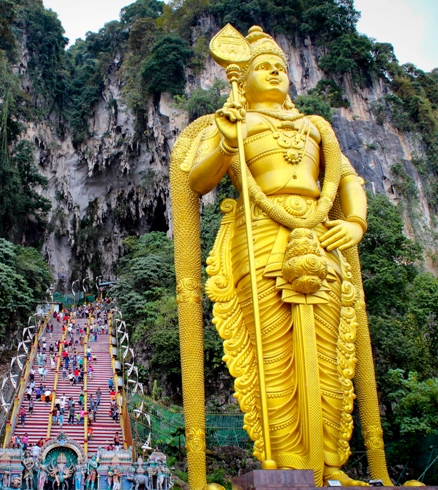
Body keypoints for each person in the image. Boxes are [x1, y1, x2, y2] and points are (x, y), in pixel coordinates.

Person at [170, 25, 389, 487]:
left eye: (281, 68)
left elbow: (348, 180)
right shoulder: (235, 121)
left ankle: (330, 463)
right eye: (262, 67)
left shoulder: (316, 127)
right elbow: (198, 181)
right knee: (272, 355)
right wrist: (227, 141)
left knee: (331, 354)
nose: (274, 73)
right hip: (260, 239)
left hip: (321, 237)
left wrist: (355, 221)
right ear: (241, 78)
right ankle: (289, 460)